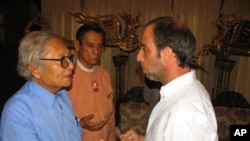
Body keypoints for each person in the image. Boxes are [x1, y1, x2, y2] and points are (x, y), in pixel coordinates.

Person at [119, 16, 218, 141]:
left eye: (145, 49)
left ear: (166, 54)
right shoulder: (179, 94)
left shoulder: (184, 114)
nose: (139, 57)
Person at [0, 31, 82, 141]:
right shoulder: (19, 111)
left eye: (69, 58)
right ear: (35, 69)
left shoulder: (63, 96)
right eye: (62, 60)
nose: (71, 66)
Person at [68, 24, 115, 141]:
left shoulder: (104, 75)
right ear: (77, 45)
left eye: (100, 46)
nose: (96, 51)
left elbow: (111, 117)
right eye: (90, 45)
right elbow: (58, 118)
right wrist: (79, 123)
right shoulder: (66, 76)